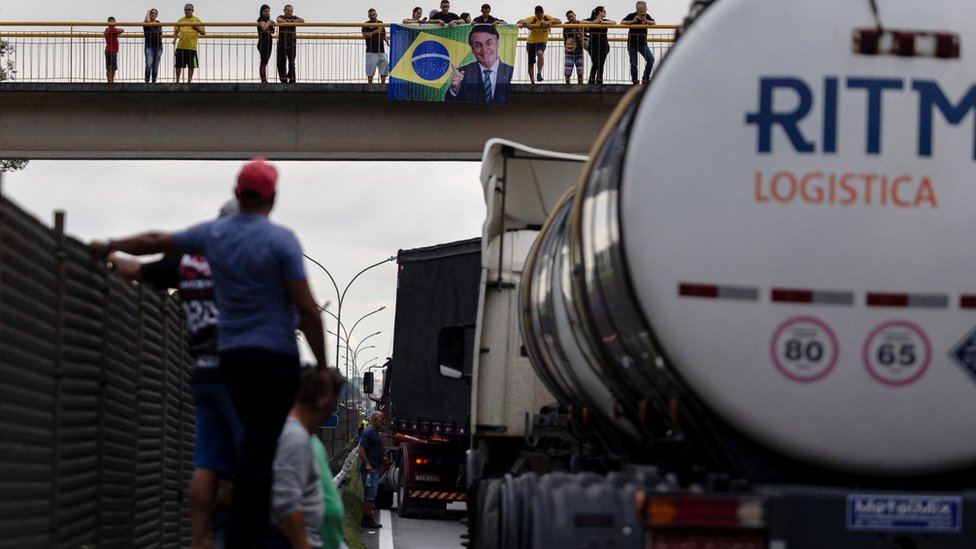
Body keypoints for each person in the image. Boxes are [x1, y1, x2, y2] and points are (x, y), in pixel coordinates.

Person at [91, 157, 329, 549]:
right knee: (257, 453)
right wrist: (321, 366)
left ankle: (203, 540)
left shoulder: (206, 243)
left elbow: (150, 247)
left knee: (213, 459)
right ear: (272, 197)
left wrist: (109, 248)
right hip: (267, 360)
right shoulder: (279, 241)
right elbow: (306, 309)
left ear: (237, 193)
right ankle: (248, 537)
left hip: (217, 362)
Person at [109, 199, 244, 549]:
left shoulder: (188, 259)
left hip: (202, 371)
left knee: (206, 461)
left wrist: (108, 254)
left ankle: (200, 540)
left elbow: (135, 270)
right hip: (241, 372)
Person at [267, 367, 345, 549]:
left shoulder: (306, 437)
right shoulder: (294, 437)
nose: (335, 406)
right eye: (336, 397)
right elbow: (286, 501)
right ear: (323, 398)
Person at [310, 369, 348, 549]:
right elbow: (287, 505)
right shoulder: (294, 441)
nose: (335, 408)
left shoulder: (313, 442)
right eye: (335, 399)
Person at [445, 24, 514, 104]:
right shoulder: (461, 73)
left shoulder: (510, 71)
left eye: (489, 43)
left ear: (498, 44)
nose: (484, 50)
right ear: (472, 50)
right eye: (478, 45)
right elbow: (450, 103)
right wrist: (454, 88)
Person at [517, 6, 561, 84]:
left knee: (540, 53)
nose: (540, 16)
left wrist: (547, 22)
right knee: (531, 62)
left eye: (541, 14)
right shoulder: (532, 19)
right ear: (535, 14)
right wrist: (527, 24)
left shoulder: (547, 17)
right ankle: (532, 81)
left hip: (541, 42)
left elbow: (559, 21)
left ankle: (539, 74)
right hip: (531, 42)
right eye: (538, 14)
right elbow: (519, 22)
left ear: (543, 13)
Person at [357, 411, 386, 529]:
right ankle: (366, 520)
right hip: (369, 470)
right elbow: (361, 449)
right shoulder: (368, 432)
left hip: (375, 468)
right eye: (381, 419)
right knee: (370, 494)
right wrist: (368, 464)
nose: (383, 421)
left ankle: (369, 516)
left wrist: (382, 457)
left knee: (372, 494)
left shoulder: (376, 432)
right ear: (374, 419)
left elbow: (374, 448)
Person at [622, 1, 655, 84]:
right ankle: (635, 81)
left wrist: (645, 20)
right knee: (634, 64)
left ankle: (646, 78)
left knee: (650, 59)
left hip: (643, 44)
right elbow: (622, 22)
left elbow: (653, 23)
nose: (646, 9)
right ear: (639, 9)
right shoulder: (632, 15)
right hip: (632, 44)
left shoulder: (647, 16)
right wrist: (633, 21)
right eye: (644, 8)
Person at [174, 3, 206, 83]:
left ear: (192, 11)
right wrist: (174, 39)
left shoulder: (197, 20)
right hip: (180, 46)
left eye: (188, 10)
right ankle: (177, 81)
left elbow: (203, 32)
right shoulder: (181, 20)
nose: (187, 11)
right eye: (185, 10)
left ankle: (189, 81)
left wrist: (196, 28)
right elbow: (176, 30)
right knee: (178, 65)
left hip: (191, 47)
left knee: (191, 66)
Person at [584, 5, 615, 85]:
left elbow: (614, 22)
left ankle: (598, 81)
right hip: (593, 46)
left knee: (601, 63)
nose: (605, 13)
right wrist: (593, 23)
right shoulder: (591, 19)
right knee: (595, 62)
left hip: (604, 46)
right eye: (604, 11)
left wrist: (603, 22)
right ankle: (593, 80)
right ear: (599, 12)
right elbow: (581, 22)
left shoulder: (605, 20)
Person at [277, 4, 304, 83]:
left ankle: (292, 80)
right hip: (282, 43)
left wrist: (290, 21)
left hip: (291, 43)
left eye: (291, 11)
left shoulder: (294, 17)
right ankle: (283, 79)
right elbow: (279, 20)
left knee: (291, 62)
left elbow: (302, 20)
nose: (289, 12)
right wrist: (288, 22)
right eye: (288, 11)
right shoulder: (281, 16)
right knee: (281, 63)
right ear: (284, 10)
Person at [361, 8, 389, 84]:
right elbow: (365, 35)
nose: (372, 16)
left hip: (381, 51)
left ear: (376, 14)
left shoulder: (381, 23)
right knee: (370, 70)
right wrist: (376, 31)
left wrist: (387, 41)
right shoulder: (366, 24)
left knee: (385, 66)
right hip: (371, 51)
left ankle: (383, 83)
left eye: (373, 14)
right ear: (368, 16)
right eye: (371, 15)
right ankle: (370, 84)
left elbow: (384, 35)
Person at [563, 10, 585, 84]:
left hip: (579, 51)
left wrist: (577, 27)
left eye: (572, 16)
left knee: (580, 72)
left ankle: (580, 86)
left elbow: (585, 35)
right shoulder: (566, 25)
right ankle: (567, 86)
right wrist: (572, 26)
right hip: (569, 51)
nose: (571, 18)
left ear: (575, 15)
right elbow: (565, 35)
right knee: (567, 72)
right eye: (569, 18)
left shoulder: (581, 24)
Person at [257, 4, 275, 83]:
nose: (267, 13)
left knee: (265, 60)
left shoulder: (268, 20)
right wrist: (268, 22)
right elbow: (263, 28)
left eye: (268, 11)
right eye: (265, 11)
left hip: (269, 42)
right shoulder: (261, 19)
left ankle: (264, 79)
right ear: (261, 12)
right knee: (264, 61)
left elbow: (272, 32)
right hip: (263, 42)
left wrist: (271, 24)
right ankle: (263, 79)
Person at [143, 9, 163, 83]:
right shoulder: (146, 22)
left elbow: (161, 33)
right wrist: (148, 12)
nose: (153, 14)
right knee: (149, 63)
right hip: (149, 45)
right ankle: (147, 80)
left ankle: (154, 81)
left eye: (155, 13)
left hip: (158, 45)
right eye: (152, 13)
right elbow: (146, 21)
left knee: (156, 64)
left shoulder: (158, 23)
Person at [104, 17, 124, 84]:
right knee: (111, 67)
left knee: (112, 67)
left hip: (112, 51)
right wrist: (117, 31)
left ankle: (111, 81)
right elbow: (122, 30)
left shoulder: (108, 30)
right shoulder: (111, 29)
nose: (113, 24)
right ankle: (110, 81)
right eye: (112, 22)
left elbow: (118, 33)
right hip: (111, 51)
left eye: (114, 22)